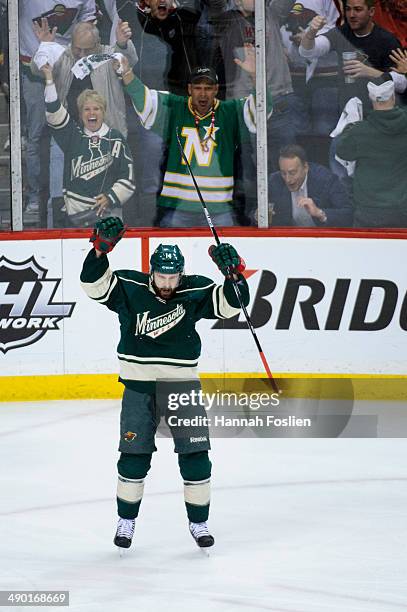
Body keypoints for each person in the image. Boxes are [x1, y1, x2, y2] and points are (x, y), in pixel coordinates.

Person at [80, 216, 250, 550]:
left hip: (182, 387)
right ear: (151, 271)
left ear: (181, 274)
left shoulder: (195, 289)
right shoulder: (130, 288)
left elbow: (233, 304)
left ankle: (199, 524)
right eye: (162, 276)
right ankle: (126, 521)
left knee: (196, 455)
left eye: (173, 277)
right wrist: (100, 251)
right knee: (133, 456)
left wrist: (234, 274)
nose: (168, 283)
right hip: (139, 388)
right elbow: (93, 286)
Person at [119, 49, 272, 227]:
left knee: (224, 253)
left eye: (208, 88)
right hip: (177, 209)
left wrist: (254, 75)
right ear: (190, 89)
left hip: (219, 210)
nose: (203, 93)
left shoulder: (229, 112)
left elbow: (261, 111)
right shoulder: (175, 107)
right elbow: (143, 98)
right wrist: (127, 73)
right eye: (198, 88)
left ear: (216, 89)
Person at [31, 18, 137, 226]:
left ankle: (109, 240)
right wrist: (45, 46)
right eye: (76, 48)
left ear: (97, 45)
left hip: (106, 137)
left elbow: (128, 60)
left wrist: (123, 44)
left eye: (86, 50)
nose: (80, 54)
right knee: (58, 195)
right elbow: (37, 69)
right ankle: (56, 240)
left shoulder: (108, 54)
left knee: (110, 194)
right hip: (67, 137)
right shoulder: (64, 54)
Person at [19, 1, 96, 215]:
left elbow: (88, 19)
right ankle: (35, 196)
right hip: (33, 70)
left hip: (69, 72)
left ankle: (67, 196)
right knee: (35, 137)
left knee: (66, 136)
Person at [41, 63, 135, 226]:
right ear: (80, 113)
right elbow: (54, 112)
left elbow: (128, 177)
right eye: (86, 109)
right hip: (76, 219)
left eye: (96, 109)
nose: (92, 113)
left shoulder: (115, 138)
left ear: (103, 112)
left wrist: (110, 197)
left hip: (109, 216)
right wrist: (49, 80)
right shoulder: (73, 136)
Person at [299, 0, 406, 110]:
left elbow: (402, 83)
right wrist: (311, 32)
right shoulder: (342, 33)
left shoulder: (387, 41)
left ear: (371, 11)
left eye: (358, 9)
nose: (352, 15)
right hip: (348, 108)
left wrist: (370, 72)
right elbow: (308, 51)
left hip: (378, 112)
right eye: (348, 9)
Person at [336, 80, 407, 228]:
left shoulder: (359, 131)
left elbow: (342, 152)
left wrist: (350, 127)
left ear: (371, 99)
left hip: (369, 210)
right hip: (402, 207)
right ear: (393, 97)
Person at [268, 144, 353, 226]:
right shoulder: (274, 181)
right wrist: (258, 217)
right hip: (289, 238)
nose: (287, 179)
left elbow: (348, 215)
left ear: (305, 167)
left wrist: (319, 213)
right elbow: (257, 213)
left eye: (292, 173)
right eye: (283, 173)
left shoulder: (326, 179)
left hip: (322, 237)